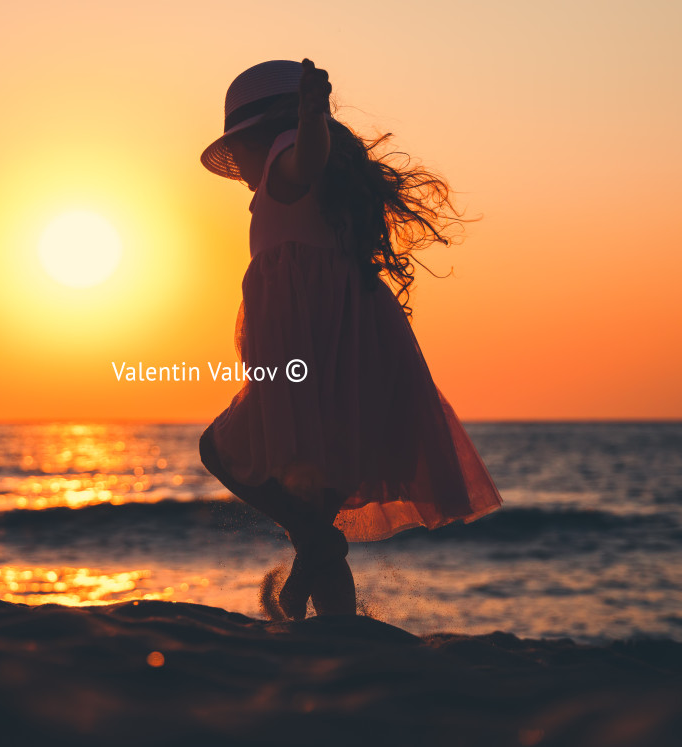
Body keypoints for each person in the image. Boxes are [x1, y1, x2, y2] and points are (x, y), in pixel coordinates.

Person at [198, 59, 504, 620]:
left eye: (237, 145)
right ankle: (337, 623)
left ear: (266, 135)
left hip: (305, 352)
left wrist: (309, 118)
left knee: (218, 450)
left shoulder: (286, 167)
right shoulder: (313, 190)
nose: (236, 161)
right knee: (313, 507)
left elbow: (304, 156)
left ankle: (317, 550)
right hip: (357, 353)